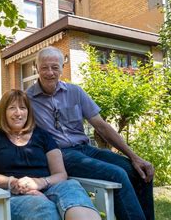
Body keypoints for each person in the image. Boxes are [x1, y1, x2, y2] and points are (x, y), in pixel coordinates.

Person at [26, 46, 155, 220]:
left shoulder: (75, 92)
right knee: (116, 174)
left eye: (55, 67)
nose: (50, 72)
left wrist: (134, 157)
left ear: (62, 69)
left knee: (140, 170)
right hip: (61, 155)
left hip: (86, 149)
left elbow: (101, 126)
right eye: (44, 67)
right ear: (36, 68)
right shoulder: (27, 99)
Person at [0, 89, 100, 220]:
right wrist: (13, 183)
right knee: (44, 209)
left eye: (23, 108)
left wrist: (40, 183)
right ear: (3, 112)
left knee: (72, 190)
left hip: (50, 187)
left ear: (28, 112)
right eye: (12, 108)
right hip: (11, 196)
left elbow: (61, 174)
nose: (18, 113)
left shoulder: (43, 136)